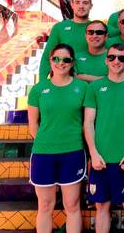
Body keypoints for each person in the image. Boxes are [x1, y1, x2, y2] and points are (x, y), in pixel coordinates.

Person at [84, 43, 124, 233]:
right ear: (106, 60)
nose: (116, 61)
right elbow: (88, 123)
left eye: (121, 58)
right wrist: (93, 154)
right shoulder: (95, 87)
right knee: (101, 206)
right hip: (101, 159)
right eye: (112, 57)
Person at [28, 43, 87, 233]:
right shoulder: (38, 89)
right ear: (50, 60)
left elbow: (88, 122)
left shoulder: (82, 87)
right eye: (56, 59)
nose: (61, 63)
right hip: (44, 153)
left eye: (66, 60)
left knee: (72, 205)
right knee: (45, 205)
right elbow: (33, 125)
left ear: (72, 63)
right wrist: (48, 142)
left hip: (73, 152)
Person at [39, 0, 93, 79]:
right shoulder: (59, 28)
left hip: (90, 81)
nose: (81, 6)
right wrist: (42, 82)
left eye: (85, 3)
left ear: (91, 6)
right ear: (72, 5)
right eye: (77, 2)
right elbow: (47, 56)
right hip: (64, 80)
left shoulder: (97, 30)